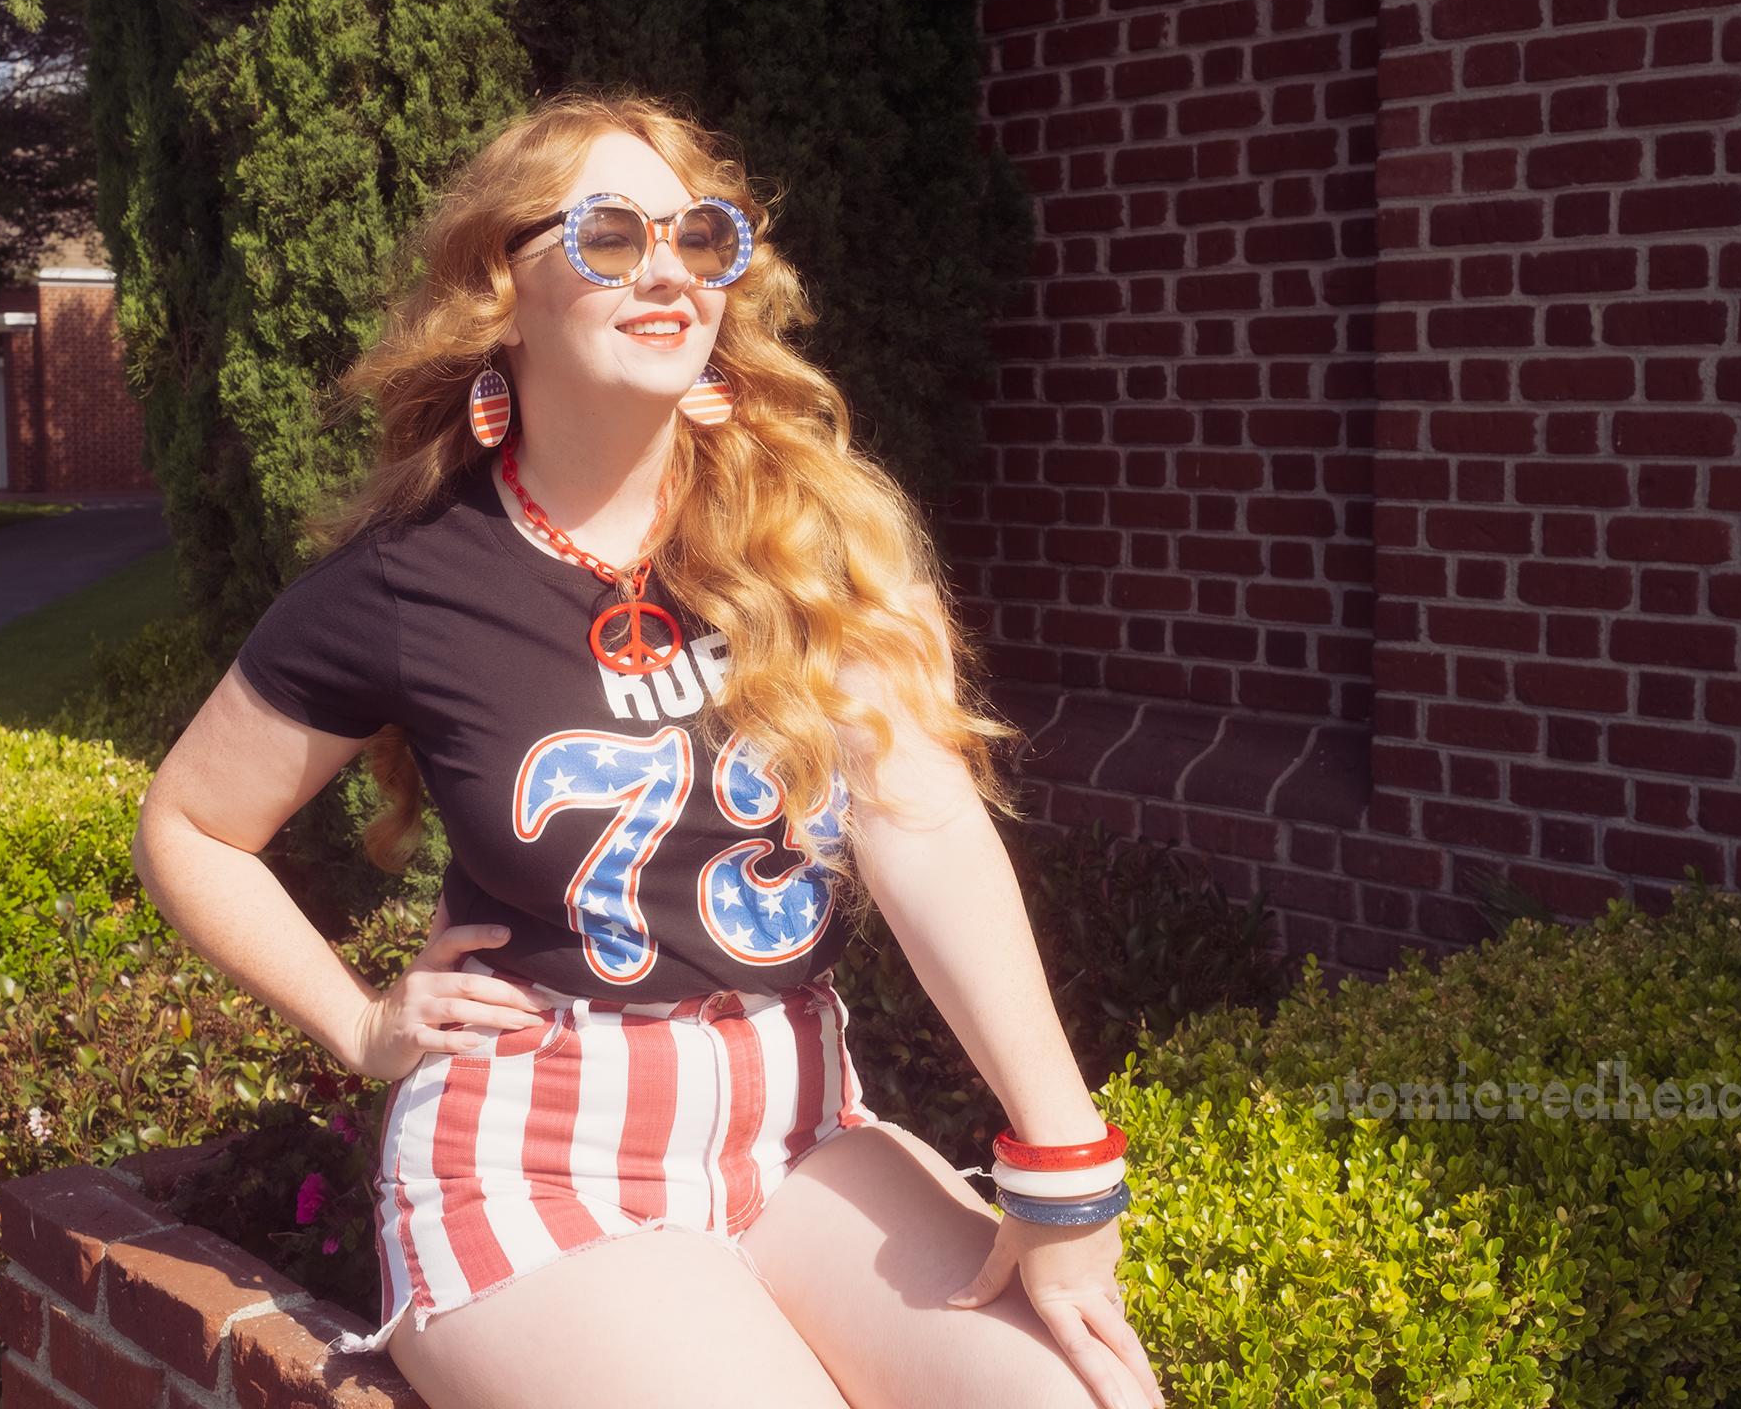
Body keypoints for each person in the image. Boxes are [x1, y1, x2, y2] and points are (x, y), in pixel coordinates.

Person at [131, 94, 1164, 1409]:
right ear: (502, 291)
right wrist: (358, 1021)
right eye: (609, 235)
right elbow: (190, 827)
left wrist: (1064, 1164)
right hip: (535, 1154)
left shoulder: (816, 537)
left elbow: (927, 825)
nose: (669, 269)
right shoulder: (409, 581)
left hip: (799, 1131)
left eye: (702, 235)